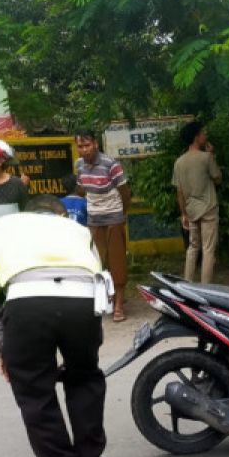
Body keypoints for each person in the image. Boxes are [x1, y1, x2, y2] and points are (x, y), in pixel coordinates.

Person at [0, 193, 111, 457]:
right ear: (61, 214)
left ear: (27, 213)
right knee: (85, 377)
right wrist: (90, 337)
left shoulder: (0, 226)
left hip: (26, 302)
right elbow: (99, 277)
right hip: (82, 300)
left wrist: (1, 340)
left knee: (35, 391)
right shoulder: (77, 230)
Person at [74, 130, 132, 322]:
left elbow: (125, 192)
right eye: (80, 146)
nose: (84, 150)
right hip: (94, 218)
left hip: (114, 217)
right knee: (98, 262)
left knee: (117, 261)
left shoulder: (111, 164)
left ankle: (118, 304)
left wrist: (122, 215)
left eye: (87, 145)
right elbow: (81, 188)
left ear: (96, 144)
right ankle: (106, 297)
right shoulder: (79, 165)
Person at [173, 121, 222, 283]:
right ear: (196, 137)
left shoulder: (179, 162)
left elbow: (179, 191)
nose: (205, 135)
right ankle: (205, 287)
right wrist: (212, 155)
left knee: (192, 248)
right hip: (208, 208)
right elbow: (217, 178)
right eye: (202, 133)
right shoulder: (206, 157)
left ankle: (187, 284)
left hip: (191, 210)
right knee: (208, 250)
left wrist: (183, 214)